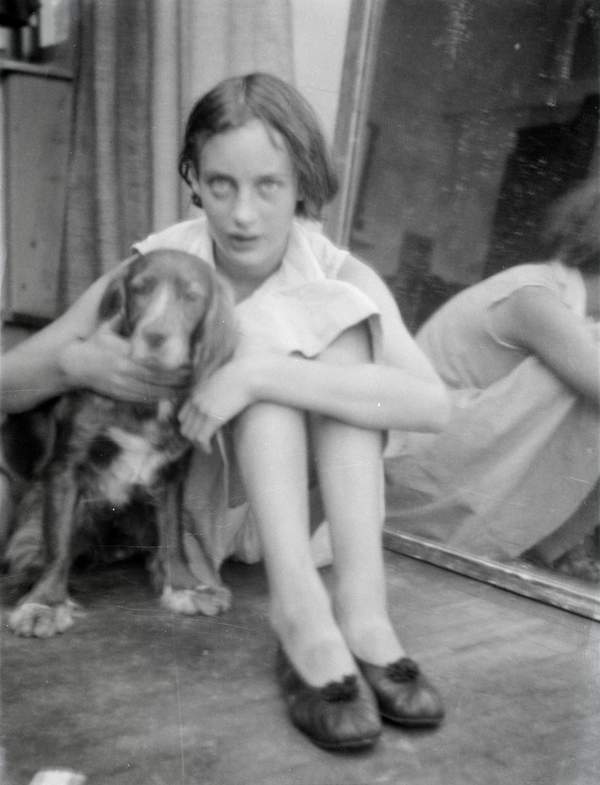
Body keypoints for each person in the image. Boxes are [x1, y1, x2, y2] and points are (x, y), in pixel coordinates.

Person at [1, 73, 450, 750]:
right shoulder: (157, 268)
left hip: (287, 526)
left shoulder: (339, 274)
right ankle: (301, 619)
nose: (242, 214)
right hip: (187, 518)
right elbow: (8, 385)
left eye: (267, 185)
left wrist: (260, 373)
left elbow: (433, 405)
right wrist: (75, 362)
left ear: (302, 182)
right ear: (194, 179)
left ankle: (364, 612)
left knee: (324, 331)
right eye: (220, 185)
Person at [385, 177, 600, 581]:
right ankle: (547, 545)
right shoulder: (533, 297)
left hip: (453, 473)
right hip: (409, 476)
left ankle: (548, 543)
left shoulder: (565, 301)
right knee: (585, 377)